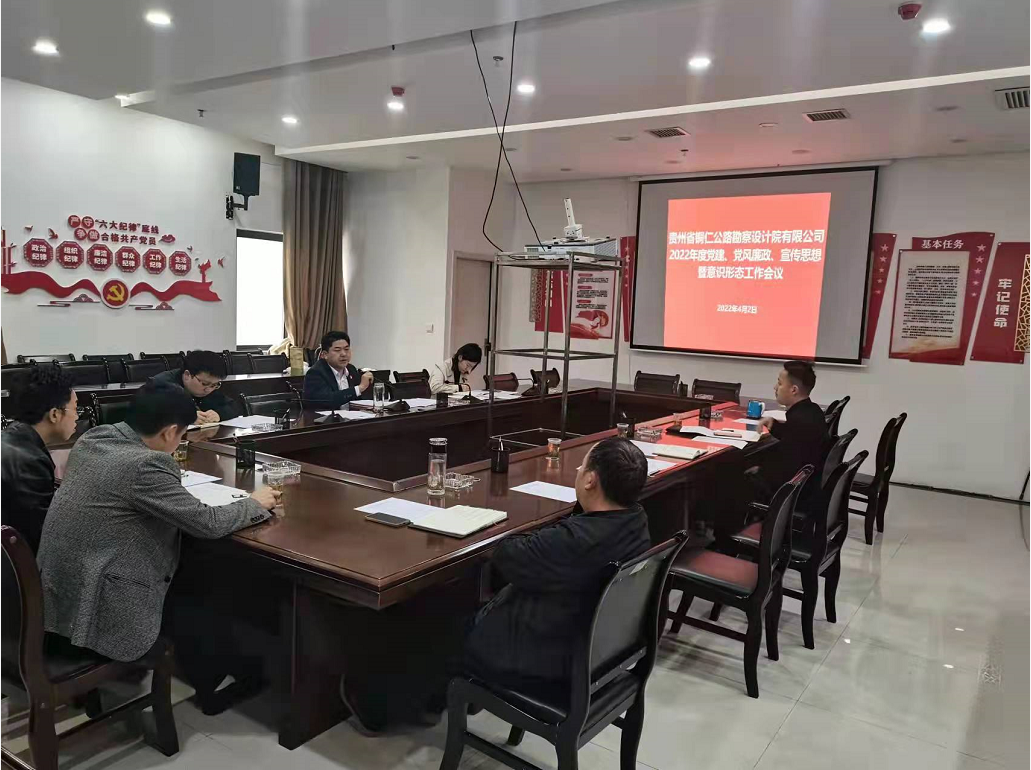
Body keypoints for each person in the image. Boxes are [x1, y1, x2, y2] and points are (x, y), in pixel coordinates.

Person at [37, 382, 280, 709]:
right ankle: (215, 684)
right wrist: (255, 503)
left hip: (59, 600)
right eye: (182, 435)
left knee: (193, 574)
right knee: (202, 591)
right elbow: (207, 523)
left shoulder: (93, 439)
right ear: (169, 432)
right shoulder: (146, 465)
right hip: (99, 607)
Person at [1, 366, 78, 552]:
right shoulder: (29, 461)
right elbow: (43, 537)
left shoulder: (13, 438)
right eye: (75, 409)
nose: (77, 417)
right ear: (55, 414)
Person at [754, 359, 827, 493]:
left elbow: (785, 469)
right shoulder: (813, 411)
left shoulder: (799, 421)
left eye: (780, 383)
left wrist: (758, 468)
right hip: (810, 484)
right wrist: (774, 426)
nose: (775, 387)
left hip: (794, 493)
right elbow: (794, 439)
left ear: (794, 390)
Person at [151, 350, 239, 423]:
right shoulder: (161, 384)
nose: (208, 389)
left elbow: (233, 406)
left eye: (214, 385)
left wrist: (219, 414)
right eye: (204, 384)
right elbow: (153, 414)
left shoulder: (209, 387)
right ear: (187, 375)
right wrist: (186, 417)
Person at [302, 331, 373, 409]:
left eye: (346, 349)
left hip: (352, 416)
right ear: (325, 354)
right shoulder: (316, 373)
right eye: (337, 350)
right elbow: (327, 400)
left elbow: (361, 399)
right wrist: (360, 388)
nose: (344, 354)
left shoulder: (351, 369)